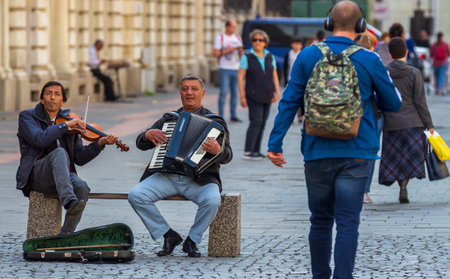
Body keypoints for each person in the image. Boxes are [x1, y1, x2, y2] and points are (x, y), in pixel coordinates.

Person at [266, 1, 402, 278]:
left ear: (328, 24)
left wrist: (274, 145)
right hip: (358, 150)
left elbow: (289, 101)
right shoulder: (370, 59)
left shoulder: (306, 56)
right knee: (348, 222)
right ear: (361, 26)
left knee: (320, 221)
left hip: (316, 150)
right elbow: (393, 104)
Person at [128, 75, 232, 258]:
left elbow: (228, 156)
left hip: (200, 179)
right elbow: (141, 144)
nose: (189, 93)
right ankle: (169, 235)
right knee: (136, 195)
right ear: (181, 93)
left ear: (203, 93)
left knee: (213, 200)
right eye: (185, 89)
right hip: (167, 176)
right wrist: (146, 135)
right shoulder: (169, 120)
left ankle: (192, 240)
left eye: (194, 89)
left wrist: (217, 151)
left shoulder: (216, 122)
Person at [16, 81, 118, 235]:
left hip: (63, 176)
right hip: (36, 175)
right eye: (48, 93)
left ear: (63, 101)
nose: (52, 97)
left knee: (82, 186)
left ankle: (65, 235)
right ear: (42, 99)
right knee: (59, 153)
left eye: (57, 94)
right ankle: (69, 201)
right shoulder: (27, 117)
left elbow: (79, 158)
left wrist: (99, 144)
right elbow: (39, 139)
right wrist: (65, 126)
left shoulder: (69, 121)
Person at [379, 37, 434, 203]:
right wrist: (429, 124)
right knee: (408, 159)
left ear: (389, 53)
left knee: (396, 159)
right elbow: (420, 102)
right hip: (413, 123)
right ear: (406, 52)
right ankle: (404, 186)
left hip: (391, 123)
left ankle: (400, 185)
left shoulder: (384, 73)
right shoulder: (414, 73)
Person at [238, 29, 280, 160]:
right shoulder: (246, 57)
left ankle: (256, 150)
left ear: (265, 43)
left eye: (260, 40)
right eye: (255, 40)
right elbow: (240, 77)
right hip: (253, 94)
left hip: (267, 94)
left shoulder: (270, 57)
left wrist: (277, 91)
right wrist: (242, 96)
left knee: (262, 123)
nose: (258, 42)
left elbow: (274, 75)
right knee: (255, 121)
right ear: (252, 42)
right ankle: (248, 150)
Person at [213, 20, 243, 122]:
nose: (234, 29)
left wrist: (239, 51)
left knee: (235, 92)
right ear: (227, 27)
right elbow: (216, 54)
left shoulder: (238, 38)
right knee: (224, 92)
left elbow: (241, 55)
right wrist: (228, 51)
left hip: (236, 68)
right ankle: (220, 116)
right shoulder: (220, 38)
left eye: (235, 27)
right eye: (232, 27)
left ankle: (233, 115)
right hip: (224, 68)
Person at [284, 36, 304, 123]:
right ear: (292, 45)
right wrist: (285, 80)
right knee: (291, 99)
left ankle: (300, 114)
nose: (296, 46)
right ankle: (291, 117)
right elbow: (285, 67)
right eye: (295, 44)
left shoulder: (303, 54)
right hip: (290, 79)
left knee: (301, 99)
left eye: (298, 44)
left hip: (301, 80)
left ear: (301, 45)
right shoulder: (288, 54)